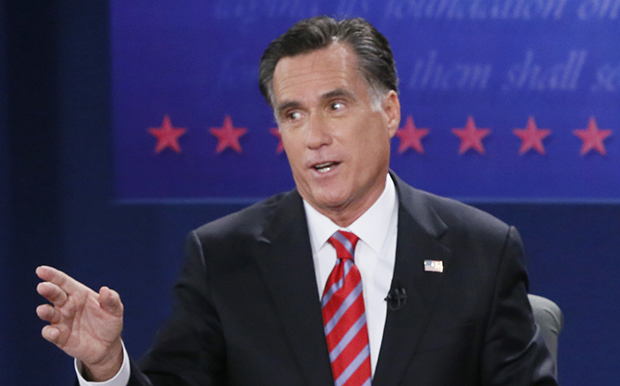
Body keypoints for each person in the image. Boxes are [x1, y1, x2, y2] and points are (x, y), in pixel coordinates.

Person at [36, 16, 557, 386]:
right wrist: (107, 366)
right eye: (293, 114)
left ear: (390, 110)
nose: (314, 136)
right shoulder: (223, 258)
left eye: (335, 105)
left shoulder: (481, 252)